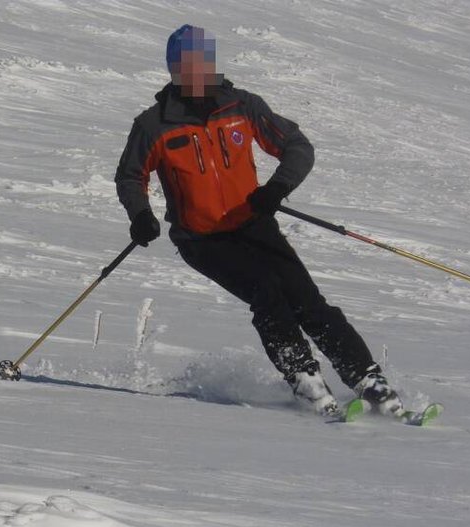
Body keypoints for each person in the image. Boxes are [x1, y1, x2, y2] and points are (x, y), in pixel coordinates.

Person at [115, 24, 400, 416]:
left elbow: (297, 147)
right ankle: (304, 378)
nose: (197, 72)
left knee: (305, 297)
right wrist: (141, 216)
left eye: (203, 62)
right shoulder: (154, 125)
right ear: (174, 70)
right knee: (266, 290)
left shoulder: (242, 107)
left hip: (253, 224)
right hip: (202, 239)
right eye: (187, 65)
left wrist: (276, 188)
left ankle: (367, 378)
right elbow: (131, 176)